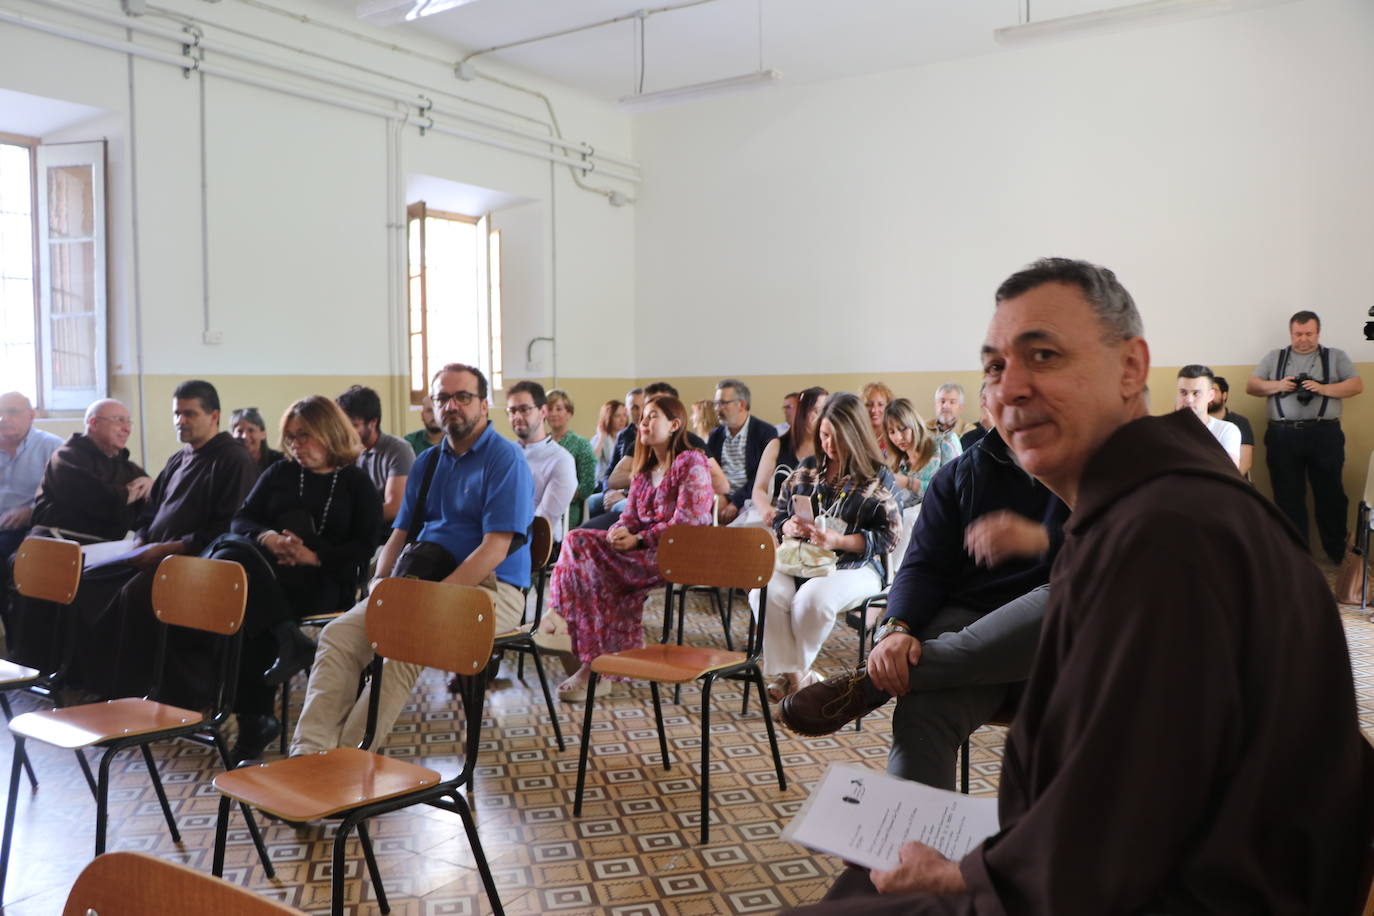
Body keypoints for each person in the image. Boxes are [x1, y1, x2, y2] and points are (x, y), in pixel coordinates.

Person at [787, 257, 1373, 916]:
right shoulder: (1142, 503)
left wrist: (961, 877)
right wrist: (901, 628)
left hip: (1191, 890)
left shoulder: (1164, 536)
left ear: (1131, 367)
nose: (1011, 387)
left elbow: (1104, 853)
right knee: (879, 856)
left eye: (1044, 354)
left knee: (862, 894)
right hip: (1132, 863)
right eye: (995, 366)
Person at [291, 363, 533, 756]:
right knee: (339, 635)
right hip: (422, 581)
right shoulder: (428, 462)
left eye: (462, 397)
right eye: (442, 398)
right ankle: (308, 757)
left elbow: (495, 549)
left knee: (404, 644)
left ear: (485, 405)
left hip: (492, 590)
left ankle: (344, 765)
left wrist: (430, 600)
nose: (451, 405)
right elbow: (400, 535)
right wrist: (379, 585)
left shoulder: (504, 460)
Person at [58, 380, 258, 701]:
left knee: (132, 595)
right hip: (153, 554)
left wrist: (171, 548)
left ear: (214, 415)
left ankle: (130, 694)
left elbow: (230, 527)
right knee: (87, 582)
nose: (181, 421)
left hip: (194, 562)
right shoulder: (180, 459)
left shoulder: (232, 460)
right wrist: (140, 539)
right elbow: (150, 512)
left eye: (190, 413)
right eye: (177, 413)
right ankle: (90, 682)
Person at [213, 396, 382, 761]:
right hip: (271, 574)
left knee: (244, 604)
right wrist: (268, 538)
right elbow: (241, 519)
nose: (295, 445)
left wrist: (314, 555)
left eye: (304, 436)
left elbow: (366, 546)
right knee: (230, 549)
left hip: (323, 582)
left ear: (330, 432)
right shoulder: (280, 473)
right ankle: (286, 637)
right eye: (290, 437)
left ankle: (255, 718)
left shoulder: (355, 482)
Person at [546, 395, 713, 702]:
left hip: (677, 554)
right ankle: (581, 645)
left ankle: (580, 649)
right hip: (641, 551)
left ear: (674, 424)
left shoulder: (691, 462)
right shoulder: (644, 469)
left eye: (652, 417)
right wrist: (617, 532)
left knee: (593, 570)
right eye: (643, 418)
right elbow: (629, 516)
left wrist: (640, 538)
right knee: (577, 540)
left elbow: (689, 522)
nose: (643, 423)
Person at [750, 393, 900, 700]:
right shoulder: (807, 469)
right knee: (762, 593)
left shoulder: (877, 476)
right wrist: (786, 525)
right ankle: (799, 677)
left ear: (855, 436)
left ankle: (790, 676)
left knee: (811, 602)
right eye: (824, 435)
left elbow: (889, 536)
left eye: (838, 438)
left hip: (855, 564)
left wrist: (839, 541)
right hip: (802, 557)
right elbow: (780, 514)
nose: (829, 445)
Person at [1246, 310, 1361, 564]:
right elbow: (1252, 386)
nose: (1303, 339)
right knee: (1287, 496)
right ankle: (1296, 557)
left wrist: (1322, 388)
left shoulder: (1335, 357)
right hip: (1282, 434)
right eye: (1298, 334)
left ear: (1318, 332)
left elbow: (1355, 385)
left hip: (1325, 433)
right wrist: (1278, 385)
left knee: (1330, 494)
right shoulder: (1275, 357)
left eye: (1309, 333)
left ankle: (1337, 555)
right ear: (1291, 333)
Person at [31, 398, 151, 543]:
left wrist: (151, 486)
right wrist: (130, 493)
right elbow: (93, 497)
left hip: (109, 546)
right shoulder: (66, 457)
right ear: (94, 423)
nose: (127, 428)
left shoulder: (129, 467)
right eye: (119, 420)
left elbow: (152, 507)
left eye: (128, 422)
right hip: (58, 542)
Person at [0, 391, 63, 589]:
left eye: (12, 412)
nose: (4, 419)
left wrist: (32, 510)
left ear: (31, 416)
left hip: (31, 526)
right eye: (0, 413)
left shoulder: (53, 447)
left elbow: (65, 495)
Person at [336, 384, 413, 540]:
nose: (347, 432)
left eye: (354, 425)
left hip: (389, 534)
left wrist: (348, 519)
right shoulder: (345, 451)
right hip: (358, 530)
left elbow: (394, 508)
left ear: (373, 422)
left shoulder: (398, 450)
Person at [506, 381, 578, 541]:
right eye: (512, 411)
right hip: (497, 536)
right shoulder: (504, 453)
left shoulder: (561, 459)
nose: (517, 416)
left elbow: (542, 522)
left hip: (537, 544)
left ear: (543, 411)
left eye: (524, 409)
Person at [749, 387, 828, 527]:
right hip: (778, 517)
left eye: (822, 412)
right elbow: (759, 488)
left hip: (817, 522)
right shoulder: (777, 445)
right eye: (813, 411)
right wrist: (766, 510)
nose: (815, 418)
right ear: (800, 413)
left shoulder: (829, 448)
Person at [706, 378, 777, 525]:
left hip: (751, 498)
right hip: (722, 497)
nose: (717, 409)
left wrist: (736, 503)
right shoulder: (715, 435)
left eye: (723, 403)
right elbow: (710, 473)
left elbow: (761, 478)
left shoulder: (764, 433)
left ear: (742, 404)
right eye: (716, 404)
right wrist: (721, 496)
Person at [885, 398, 960, 508]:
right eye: (892, 432)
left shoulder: (945, 443)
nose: (898, 437)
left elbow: (954, 490)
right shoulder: (895, 465)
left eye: (903, 429)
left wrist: (909, 483)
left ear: (914, 424)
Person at [545, 389, 597, 528]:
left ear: (569, 413)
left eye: (559, 409)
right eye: (549, 409)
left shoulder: (581, 444)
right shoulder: (539, 443)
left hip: (567, 510)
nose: (554, 413)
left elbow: (587, 486)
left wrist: (556, 496)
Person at [1175, 364, 1241, 467]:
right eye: (1183, 392)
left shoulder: (1226, 430)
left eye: (1196, 393)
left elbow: (1228, 474)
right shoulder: (1162, 430)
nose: (1189, 400)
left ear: (1210, 396)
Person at [1208, 375, 1253, 477]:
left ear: (1224, 395)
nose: (1209, 395)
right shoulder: (1196, 421)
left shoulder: (1240, 422)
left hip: (1232, 481)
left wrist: (1226, 483)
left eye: (1213, 391)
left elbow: (1245, 463)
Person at [229, 407, 284, 477]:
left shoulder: (279, 462)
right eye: (240, 431)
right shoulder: (228, 465)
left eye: (251, 430)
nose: (245, 436)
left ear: (263, 434)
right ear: (231, 435)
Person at [590, 398, 628, 483]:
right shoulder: (598, 439)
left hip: (623, 483)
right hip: (603, 484)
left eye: (624, 415)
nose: (622, 419)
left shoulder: (628, 437)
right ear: (609, 418)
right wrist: (601, 438)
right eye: (617, 416)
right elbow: (592, 462)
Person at [927, 383, 967, 454]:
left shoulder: (970, 431)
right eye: (942, 401)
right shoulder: (923, 428)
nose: (946, 406)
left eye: (952, 402)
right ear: (935, 405)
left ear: (961, 407)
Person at [861, 381, 895, 456]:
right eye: (869, 405)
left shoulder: (895, 436)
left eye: (880, 404)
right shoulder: (857, 436)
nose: (874, 410)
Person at [958, 384, 992, 452]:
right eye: (984, 397)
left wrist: (991, 429)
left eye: (992, 397)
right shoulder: (968, 436)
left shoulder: (1013, 433)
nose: (986, 403)